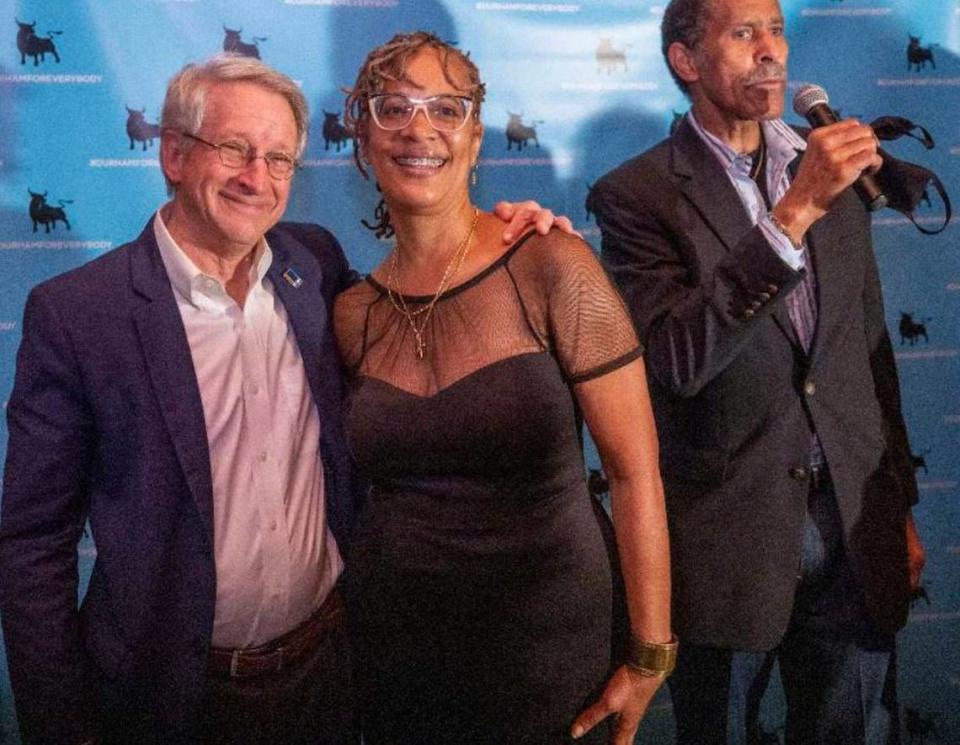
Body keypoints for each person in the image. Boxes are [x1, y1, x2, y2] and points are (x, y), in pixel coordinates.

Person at [0, 53, 566, 745]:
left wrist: (500, 235)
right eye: (234, 149)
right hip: (167, 700)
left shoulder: (314, 266)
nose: (255, 179)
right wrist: (61, 726)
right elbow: (32, 543)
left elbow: (422, 302)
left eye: (278, 160)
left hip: (326, 678)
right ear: (174, 154)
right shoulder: (79, 314)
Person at [587, 0, 926, 743]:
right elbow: (677, 360)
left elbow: (869, 353)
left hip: (850, 525)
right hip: (726, 541)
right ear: (686, 60)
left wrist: (893, 500)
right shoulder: (636, 196)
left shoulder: (831, 160)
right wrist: (793, 212)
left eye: (776, 31)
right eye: (743, 34)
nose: (770, 51)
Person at [334, 32, 673, 745]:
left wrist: (649, 652)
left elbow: (635, 471)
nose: (419, 129)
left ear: (476, 137)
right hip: (398, 659)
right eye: (393, 108)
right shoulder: (351, 312)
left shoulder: (550, 261)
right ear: (361, 138)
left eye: (445, 109)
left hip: (550, 659)